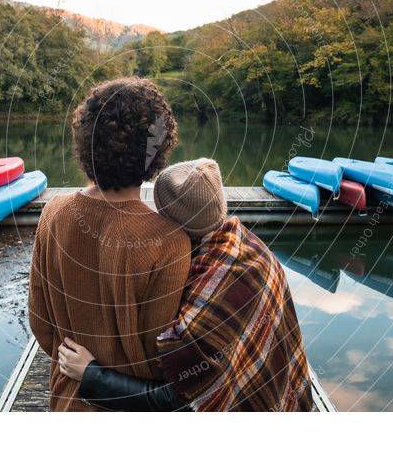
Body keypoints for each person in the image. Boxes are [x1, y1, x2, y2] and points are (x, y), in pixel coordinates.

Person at [56, 158, 314, 412]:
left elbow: (179, 398)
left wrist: (92, 375)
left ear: (172, 224)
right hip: (279, 397)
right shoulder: (249, 245)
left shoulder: (212, 289)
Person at [28, 77, 192, 411]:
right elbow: (162, 358)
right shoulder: (170, 242)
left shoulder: (53, 213)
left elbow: (40, 324)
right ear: (156, 153)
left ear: (86, 141)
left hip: (67, 403)